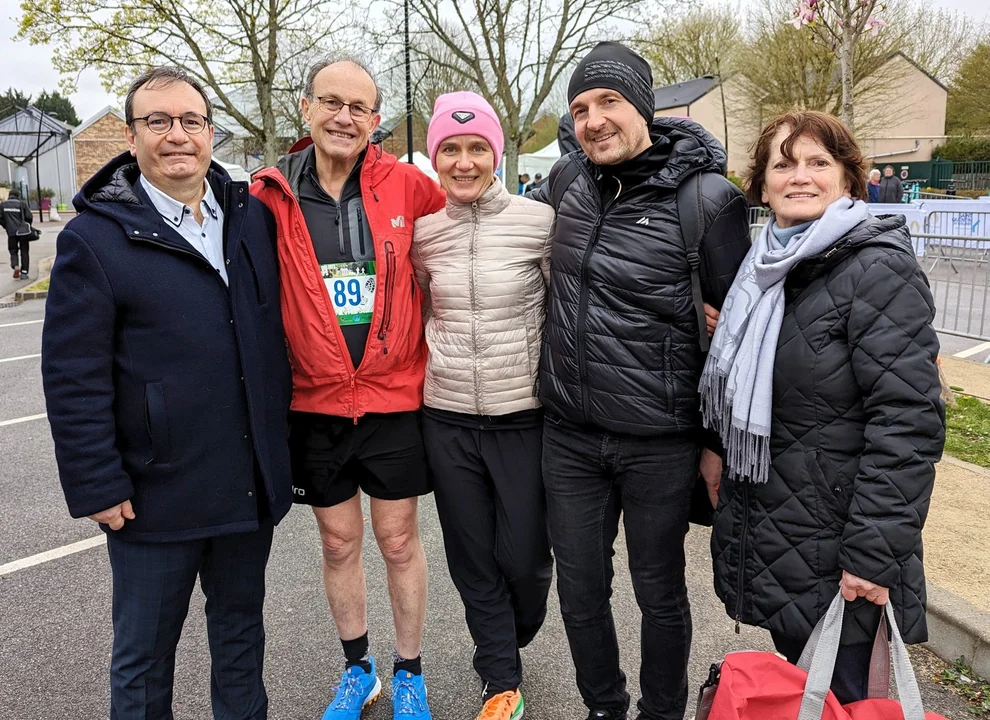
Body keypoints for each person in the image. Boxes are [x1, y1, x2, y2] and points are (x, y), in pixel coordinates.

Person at [40, 66, 293, 720]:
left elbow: (269, 341)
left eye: (191, 121)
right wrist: (97, 481)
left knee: (241, 640)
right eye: (158, 121)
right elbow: (74, 376)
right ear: (132, 136)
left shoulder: (252, 220)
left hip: (244, 489)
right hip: (154, 498)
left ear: (211, 132)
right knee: (145, 660)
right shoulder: (92, 240)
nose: (176, 135)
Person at [530, 42, 752, 720]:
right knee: (579, 590)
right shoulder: (566, 182)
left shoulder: (710, 200)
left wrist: (715, 443)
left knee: (659, 593)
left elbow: (738, 339)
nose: (593, 120)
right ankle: (604, 707)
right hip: (569, 436)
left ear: (644, 108)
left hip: (661, 441)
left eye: (609, 102)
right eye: (580, 108)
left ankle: (662, 712)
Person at [703, 110, 945, 704]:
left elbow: (908, 422)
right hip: (789, 541)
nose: (800, 176)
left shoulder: (876, 268)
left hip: (844, 552)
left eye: (819, 163)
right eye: (783, 164)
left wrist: (871, 553)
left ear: (848, 180)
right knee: (813, 699)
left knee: (851, 701)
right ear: (762, 185)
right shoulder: (766, 273)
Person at [251, 56, 445, 720]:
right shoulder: (267, 195)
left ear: (375, 120)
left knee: (397, 540)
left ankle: (410, 673)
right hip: (314, 404)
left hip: (393, 401)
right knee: (338, 543)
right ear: (305, 109)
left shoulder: (410, 185)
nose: (344, 117)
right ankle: (357, 669)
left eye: (359, 107)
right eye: (331, 102)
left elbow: (467, 239)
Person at [411, 91, 555, 720]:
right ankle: (501, 676)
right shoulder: (424, 234)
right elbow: (414, 310)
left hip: (521, 415)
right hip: (444, 416)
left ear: (496, 155)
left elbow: (566, 313)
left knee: (523, 558)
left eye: (477, 149)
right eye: (451, 149)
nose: (464, 162)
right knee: (471, 556)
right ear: (434, 157)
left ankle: (513, 630)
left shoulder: (538, 222)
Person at [1, 187, 34, 279]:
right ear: (17, 196)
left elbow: (0, 218)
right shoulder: (22, 204)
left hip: (11, 232)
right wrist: (27, 226)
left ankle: (15, 266)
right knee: (24, 251)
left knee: (13, 250)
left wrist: (6, 226)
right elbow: (29, 217)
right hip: (23, 232)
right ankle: (24, 272)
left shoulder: (3, 205)